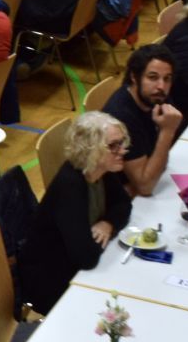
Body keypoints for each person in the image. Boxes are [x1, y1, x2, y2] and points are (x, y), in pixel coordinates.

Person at [23, 111, 134, 314]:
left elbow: (124, 204)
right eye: (113, 146)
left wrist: (107, 223)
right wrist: (103, 233)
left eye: (122, 143)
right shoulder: (71, 186)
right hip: (53, 282)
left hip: (78, 270)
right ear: (91, 150)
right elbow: (87, 257)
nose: (122, 151)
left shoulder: (101, 170)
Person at [103, 44, 183, 198]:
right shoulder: (121, 118)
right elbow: (145, 186)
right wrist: (168, 131)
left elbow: (160, 163)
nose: (161, 86)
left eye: (167, 79)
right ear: (134, 77)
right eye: (152, 77)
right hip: (119, 199)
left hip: (141, 187)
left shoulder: (156, 98)